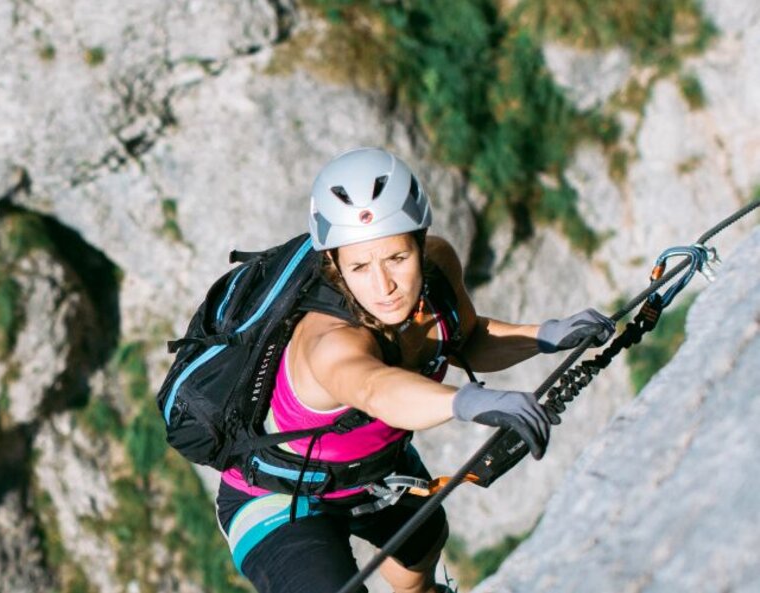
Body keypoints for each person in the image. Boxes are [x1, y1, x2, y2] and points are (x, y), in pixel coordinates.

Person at [214, 148, 615, 593]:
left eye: (397, 259)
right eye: (360, 267)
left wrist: (546, 336)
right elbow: (375, 388)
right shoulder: (328, 340)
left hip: (376, 472)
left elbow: (466, 338)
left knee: (421, 552)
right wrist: (469, 401)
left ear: (421, 244)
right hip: (276, 498)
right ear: (334, 267)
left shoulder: (439, 268)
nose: (383, 286)